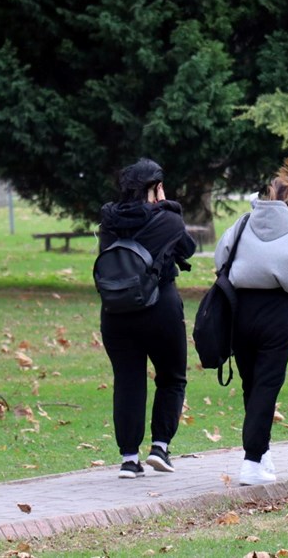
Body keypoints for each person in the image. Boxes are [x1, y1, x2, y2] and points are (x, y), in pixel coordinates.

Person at [213, 158, 288, 486]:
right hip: (278, 311)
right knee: (267, 384)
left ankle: (260, 454)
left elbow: (222, 257)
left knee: (252, 383)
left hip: (240, 309)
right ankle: (252, 461)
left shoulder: (244, 221)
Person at [98, 158, 196, 479]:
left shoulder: (109, 218)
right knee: (171, 376)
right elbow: (189, 248)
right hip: (160, 308)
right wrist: (166, 205)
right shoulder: (167, 219)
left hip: (116, 312)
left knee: (128, 381)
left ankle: (129, 458)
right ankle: (160, 447)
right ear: (155, 187)